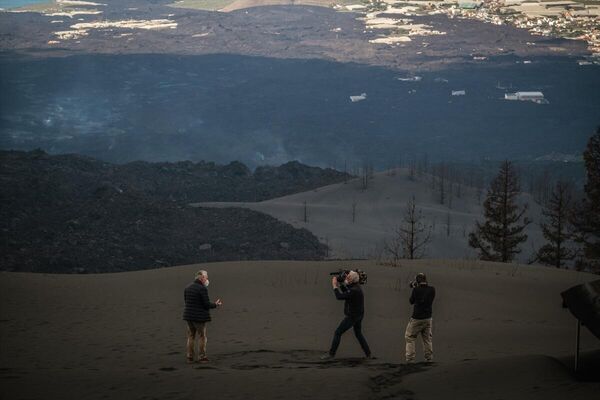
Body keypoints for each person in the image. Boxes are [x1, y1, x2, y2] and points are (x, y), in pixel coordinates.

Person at [321, 270, 372, 360]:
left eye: (348, 277)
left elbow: (339, 296)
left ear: (352, 280)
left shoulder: (354, 290)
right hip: (359, 315)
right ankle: (368, 354)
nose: (346, 278)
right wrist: (341, 284)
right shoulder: (356, 287)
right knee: (358, 334)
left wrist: (334, 286)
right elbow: (347, 293)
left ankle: (331, 354)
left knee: (338, 333)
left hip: (352, 316)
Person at [182, 270, 222, 363]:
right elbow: (206, 304)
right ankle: (202, 357)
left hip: (188, 316)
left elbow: (186, 302)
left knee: (191, 336)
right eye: (206, 277)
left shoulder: (187, 287)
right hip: (199, 317)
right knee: (202, 336)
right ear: (201, 278)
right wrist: (216, 304)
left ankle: (189, 357)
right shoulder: (202, 289)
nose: (207, 279)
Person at [405, 272, 435, 363]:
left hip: (417, 318)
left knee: (410, 337)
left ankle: (410, 359)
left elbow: (411, 301)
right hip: (428, 318)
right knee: (427, 339)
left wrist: (415, 288)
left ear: (417, 281)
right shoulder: (432, 289)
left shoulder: (416, 290)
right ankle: (429, 358)